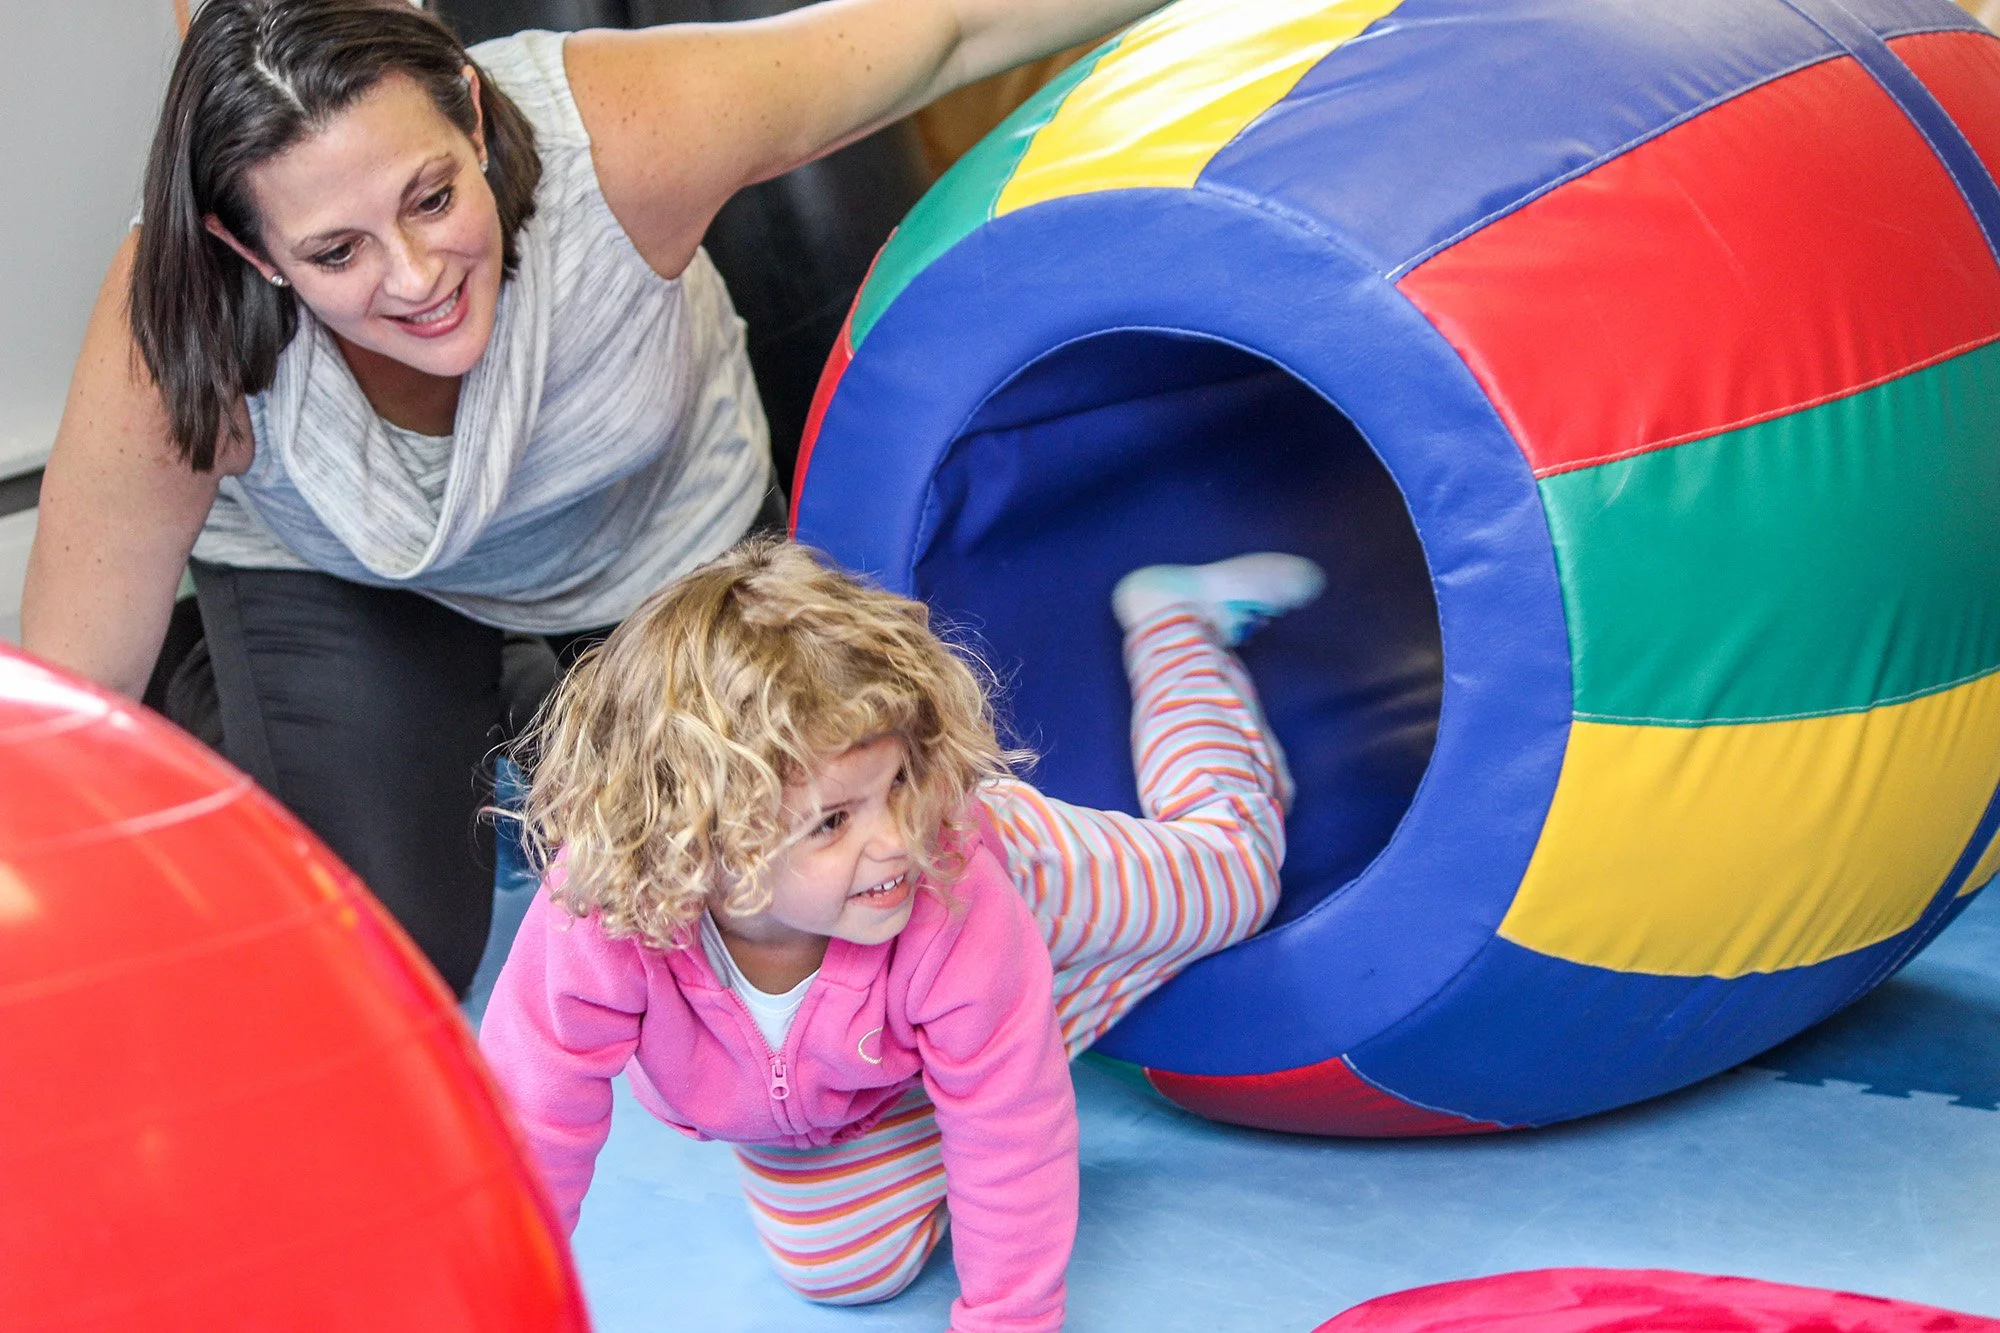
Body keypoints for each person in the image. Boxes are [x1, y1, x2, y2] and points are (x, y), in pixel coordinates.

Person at [19, 0, 1169, 995]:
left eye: (430, 197)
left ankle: (531, 703)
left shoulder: (623, 134)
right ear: (250, 248)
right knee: (384, 947)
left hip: (642, 542)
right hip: (343, 576)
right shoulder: (180, 325)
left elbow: (947, 29)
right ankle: (249, 686)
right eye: (336, 252)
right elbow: (69, 702)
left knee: (770, 899)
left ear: (471, 115)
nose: (414, 278)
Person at [478, 538, 1323, 1326]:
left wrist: (1008, 1316)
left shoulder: (940, 870)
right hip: (839, 1087)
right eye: (833, 820)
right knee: (844, 1268)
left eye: (899, 783)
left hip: (1020, 877)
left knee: (1234, 882)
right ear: (702, 846)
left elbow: (1010, 1131)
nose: (894, 836)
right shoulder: (603, 915)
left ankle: (1174, 627)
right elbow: (532, 1128)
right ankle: (1011, 1020)